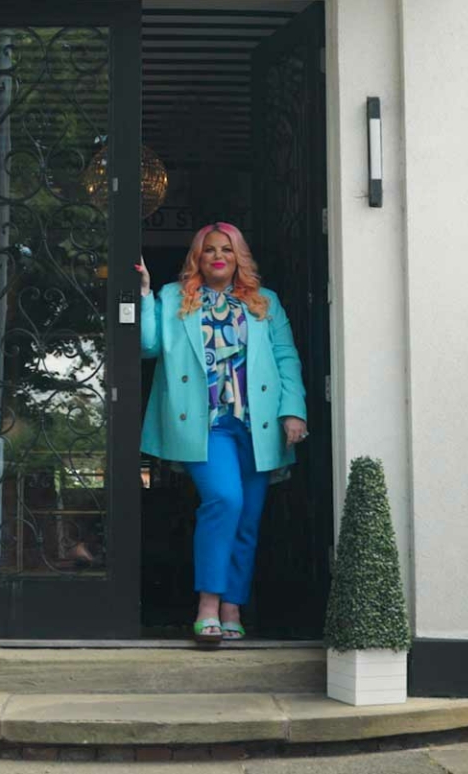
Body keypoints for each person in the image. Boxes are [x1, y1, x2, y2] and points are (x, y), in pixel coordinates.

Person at [136, 222, 309, 644]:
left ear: (238, 258)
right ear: (197, 257)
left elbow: (287, 358)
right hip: (205, 423)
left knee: (247, 520)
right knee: (225, 500)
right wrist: (143, 295)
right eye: (209, 249)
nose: (218, 256)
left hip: (258, 424)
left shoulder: (264, 302)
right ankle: (208, 604)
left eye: (227, 250)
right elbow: (149, 347)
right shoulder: (175, 298)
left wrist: (294, 411)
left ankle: (233, 606)